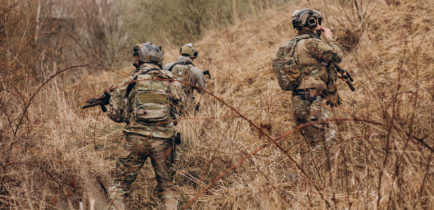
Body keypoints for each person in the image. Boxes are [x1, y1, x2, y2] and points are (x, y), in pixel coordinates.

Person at [106, 42, 185, 210]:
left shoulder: (130, 81)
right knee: (167, 188)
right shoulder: (171, 81)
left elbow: (116, 115)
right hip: (163, 142)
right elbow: (179, 112)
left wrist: (112, 102)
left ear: (140, 58)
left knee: (119, 188)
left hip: (135, 141)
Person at [273, 8, 343, 148]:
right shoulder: (311, 43)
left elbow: (308, 69)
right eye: (318, 22)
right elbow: (337, 56)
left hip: (298, 101)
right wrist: (329, 38)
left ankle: (315, 169)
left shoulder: (290, 45)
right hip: (313, 101)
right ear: (311, 22)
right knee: (330, 145)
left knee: (315, 145)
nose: (320, 26)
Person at [163, 43, 207, 111]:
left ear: (181, 52)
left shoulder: (167, 66)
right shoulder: (197, 71)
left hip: (170, 105)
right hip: (187, 107)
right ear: (194, 56)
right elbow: (203, 91)